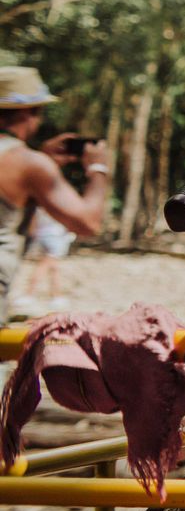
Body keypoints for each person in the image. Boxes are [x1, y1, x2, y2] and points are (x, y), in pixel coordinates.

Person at [0, 67, 112, 322]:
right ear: (30, 112)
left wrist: (41, 158)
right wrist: (98, 168)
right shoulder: (28, 164)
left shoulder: (28, 162)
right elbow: (88, 223)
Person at [20, 208, 76, 308]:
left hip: (42, 237)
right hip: (55, 237)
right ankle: (30, 294)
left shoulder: (39, 206)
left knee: (53, 268)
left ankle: (55, 296)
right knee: (44, 267)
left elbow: (32, 226)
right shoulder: (59, 205)